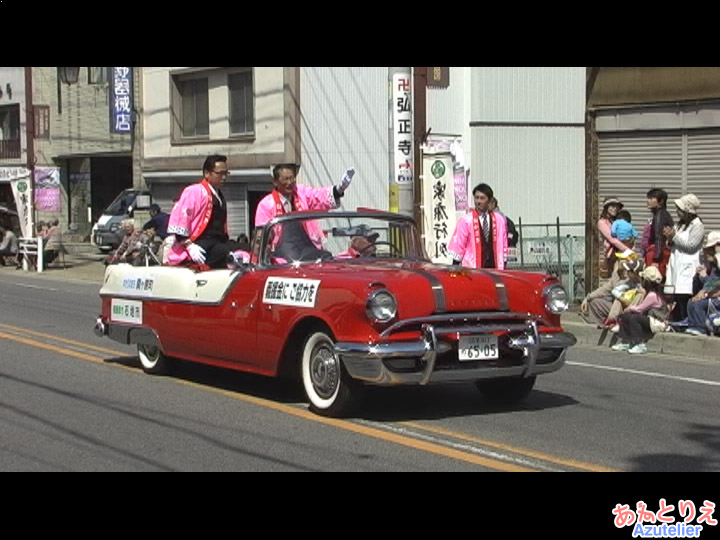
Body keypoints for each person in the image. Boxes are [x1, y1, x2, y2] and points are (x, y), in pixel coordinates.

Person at [255, 163, 355, 262]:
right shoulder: (266, 205)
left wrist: (339, 189)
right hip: (281, 251)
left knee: (326, 257)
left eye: (292, 178)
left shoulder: (301, 192)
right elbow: (262, 237)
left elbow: (318, 197)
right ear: (275, 182)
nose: (290, 182)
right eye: (285, 179)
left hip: (306, 245)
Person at [166, 155, 247, 269]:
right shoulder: (194, 191)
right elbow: (180, 221)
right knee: (225, 254)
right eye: (220, 173)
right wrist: (189, 245)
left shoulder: (219, 195)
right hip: (199, 243)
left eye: (226, 173)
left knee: (245, 249)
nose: (223, 177)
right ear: (207, 173)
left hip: (218, 242)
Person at [663, 194, 704, 322]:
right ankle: (675, 320)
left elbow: (691, 247)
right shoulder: (680, 225)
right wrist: (669, 238)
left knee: (684, 295)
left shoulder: (697, 226)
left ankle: (686, 321)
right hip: (676, 263)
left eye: (680, 209)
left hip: (688, 265)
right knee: (674, 293)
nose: (677, 212)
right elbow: (672, 245)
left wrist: (674, 236)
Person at [448, 183, 508, 269]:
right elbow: (459, 246)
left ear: (489, 200)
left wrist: (504, 264)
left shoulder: (499, 220)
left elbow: (504, 244)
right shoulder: (466, 220)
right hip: (473, 269)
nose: (478, 202)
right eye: (476, 198)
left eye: (482, 198)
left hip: (494, 267)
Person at [612, 265, 670, 354]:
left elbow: (640, 309)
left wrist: (629, 308)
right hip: (652, 321)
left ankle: (639, 344)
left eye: (643, 279)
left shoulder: (652, 295)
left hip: (658, 323)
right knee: (626, 317)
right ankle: (626, 341)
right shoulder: (650, 293)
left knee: (634, 318)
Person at [580, 255, 644, 326]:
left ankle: (614, 322)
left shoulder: (635, 278)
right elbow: (604, 289)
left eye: (623, 260)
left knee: (619, 300)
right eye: (620, 260)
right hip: (615, 307)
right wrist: (588, 298)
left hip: (630, 307)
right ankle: (602, 324)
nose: (621, 263)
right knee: (594, 302)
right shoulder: (616, 275)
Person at [684, 231, 720, 336]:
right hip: (713, 295)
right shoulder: (713, 265)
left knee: (699, 303)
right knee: (692, 302)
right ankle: (693, 325)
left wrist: (704, 291)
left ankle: (700, 328)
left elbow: (716, 281)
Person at [597, 196, 631, 278]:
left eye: (617, 206)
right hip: (614, 256)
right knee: (617, 280)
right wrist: (628, 251)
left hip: (624, 254)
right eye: (612, 206)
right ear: (606, 208)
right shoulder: (602, 222)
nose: (614, 209)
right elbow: (613, 240)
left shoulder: (619, 220)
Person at [644, 188, 674, 277]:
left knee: (654, 279)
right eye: (648, 198)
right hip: (662, 252)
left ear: (661, 201)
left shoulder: (659, 215)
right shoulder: (663, 214)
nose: (648, 201)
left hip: (658, 253)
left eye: (652, 198)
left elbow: (659, 237)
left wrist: (656, 259)